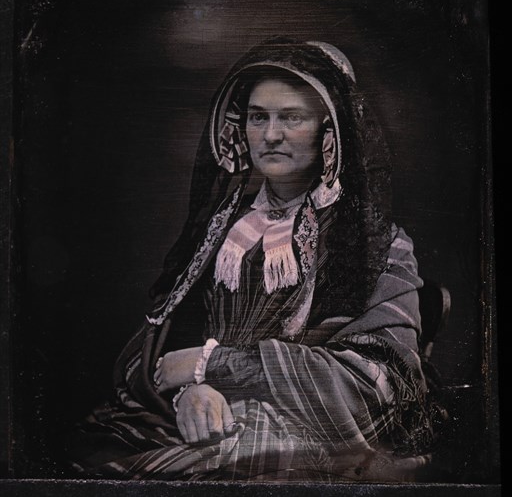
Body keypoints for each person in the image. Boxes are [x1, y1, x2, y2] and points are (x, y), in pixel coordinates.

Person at [66, 36, 437, 482]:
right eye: (258, 117)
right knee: (96, 452)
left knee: (227, 464)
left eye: (292, 118)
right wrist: (191, 391)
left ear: (330, 132)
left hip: (312, 430)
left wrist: (213, 365)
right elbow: (151, 354)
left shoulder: (377, 247)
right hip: (200, 418)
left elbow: (374, 388)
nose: (271, 134)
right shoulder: (221, 233)